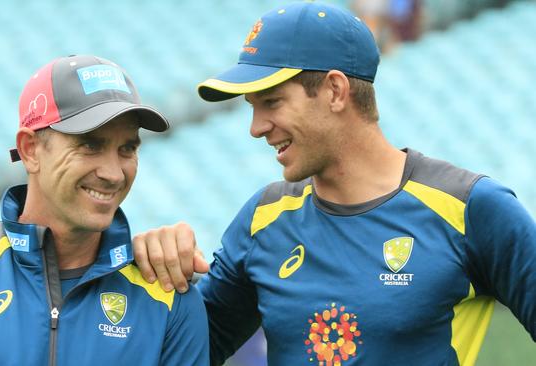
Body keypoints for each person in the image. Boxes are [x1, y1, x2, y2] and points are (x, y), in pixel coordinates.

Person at [131, 2, 536, 365]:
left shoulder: (471, 208)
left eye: (271, 102)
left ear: (336, 91)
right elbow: (182, 352)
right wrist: (156, 266)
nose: (256, 129)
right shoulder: (263, 219)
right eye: (252, 108)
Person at [0, 55, 209, 366]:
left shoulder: (170, 295)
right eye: (90, 144)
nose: (113, 173)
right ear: (30, 150)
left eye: (127, 148)